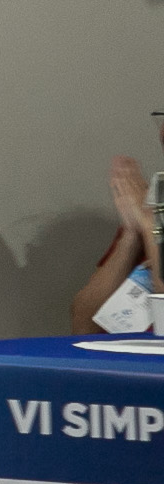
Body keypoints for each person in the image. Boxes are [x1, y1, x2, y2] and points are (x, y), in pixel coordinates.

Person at [71, 130, 160, 334]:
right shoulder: (150, 210)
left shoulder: (150, 220)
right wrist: (131, 235)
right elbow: (83, 325)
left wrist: (150, 226)